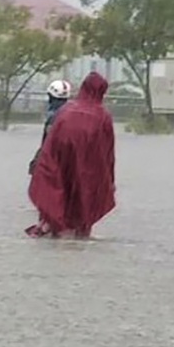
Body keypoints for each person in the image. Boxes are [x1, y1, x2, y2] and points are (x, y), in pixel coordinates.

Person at [26, 72, 116, 238]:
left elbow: (49, 142)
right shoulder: (103, 116)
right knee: (83, 198)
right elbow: (108, 151)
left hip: (60, 161)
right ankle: (79, 236)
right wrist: (109, 179)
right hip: (86, 166)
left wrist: (41, 165)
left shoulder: (65, 111)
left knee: (57, 191)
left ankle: (51, 228)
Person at [29, 78, 74, 174]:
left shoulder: (53, 117)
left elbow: (48, 143)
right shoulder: (73, 113)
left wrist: (37, 161)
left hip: (54, 164)